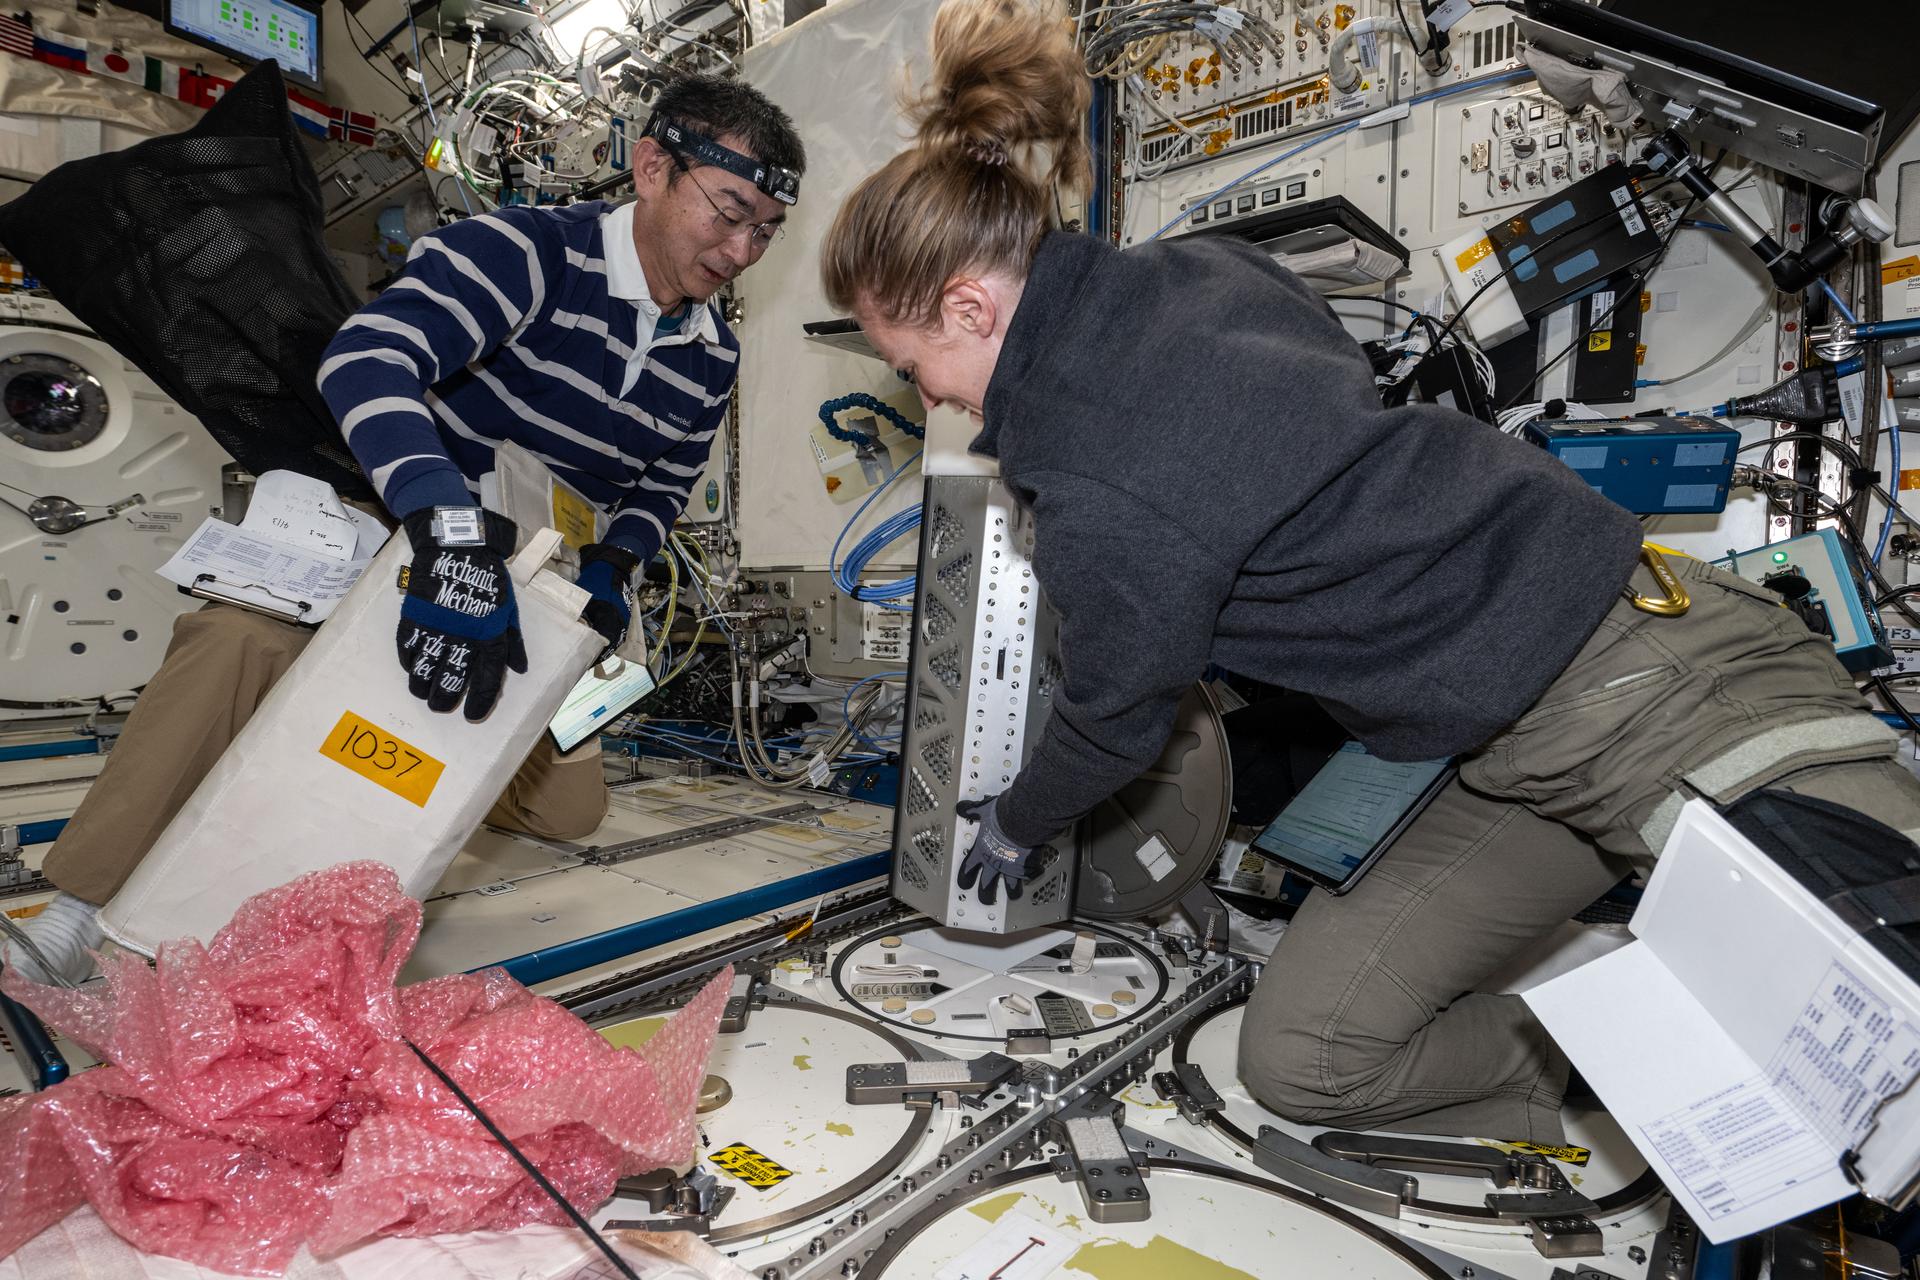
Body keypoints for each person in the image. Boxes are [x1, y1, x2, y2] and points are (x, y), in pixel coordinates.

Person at [819, 0, 1920, 1145]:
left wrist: (1015, 822)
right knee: (1304, 1053)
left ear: (970, 304)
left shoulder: (1095, 474)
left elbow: (1113, 715)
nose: (930, 397)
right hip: (1506, 747)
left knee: (1883, 1033)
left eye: (913, 366)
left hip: (1650, 681)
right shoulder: (1195, 272)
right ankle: (1631, 1065)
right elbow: (1312, 391)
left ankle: (1734, 1063)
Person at [4, 72, 806, 988]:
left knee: (569, 810)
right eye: (729, 213)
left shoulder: (711, 356)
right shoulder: (529, 252)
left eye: (765, 232)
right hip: (414, 522)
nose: (741, 250)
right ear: (653, 167)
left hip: (538, 574)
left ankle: (371, 733)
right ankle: (76, 907)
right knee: (239, 642)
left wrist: (614, 566)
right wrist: (444, 528)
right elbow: (367, 357)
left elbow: (662, 485)